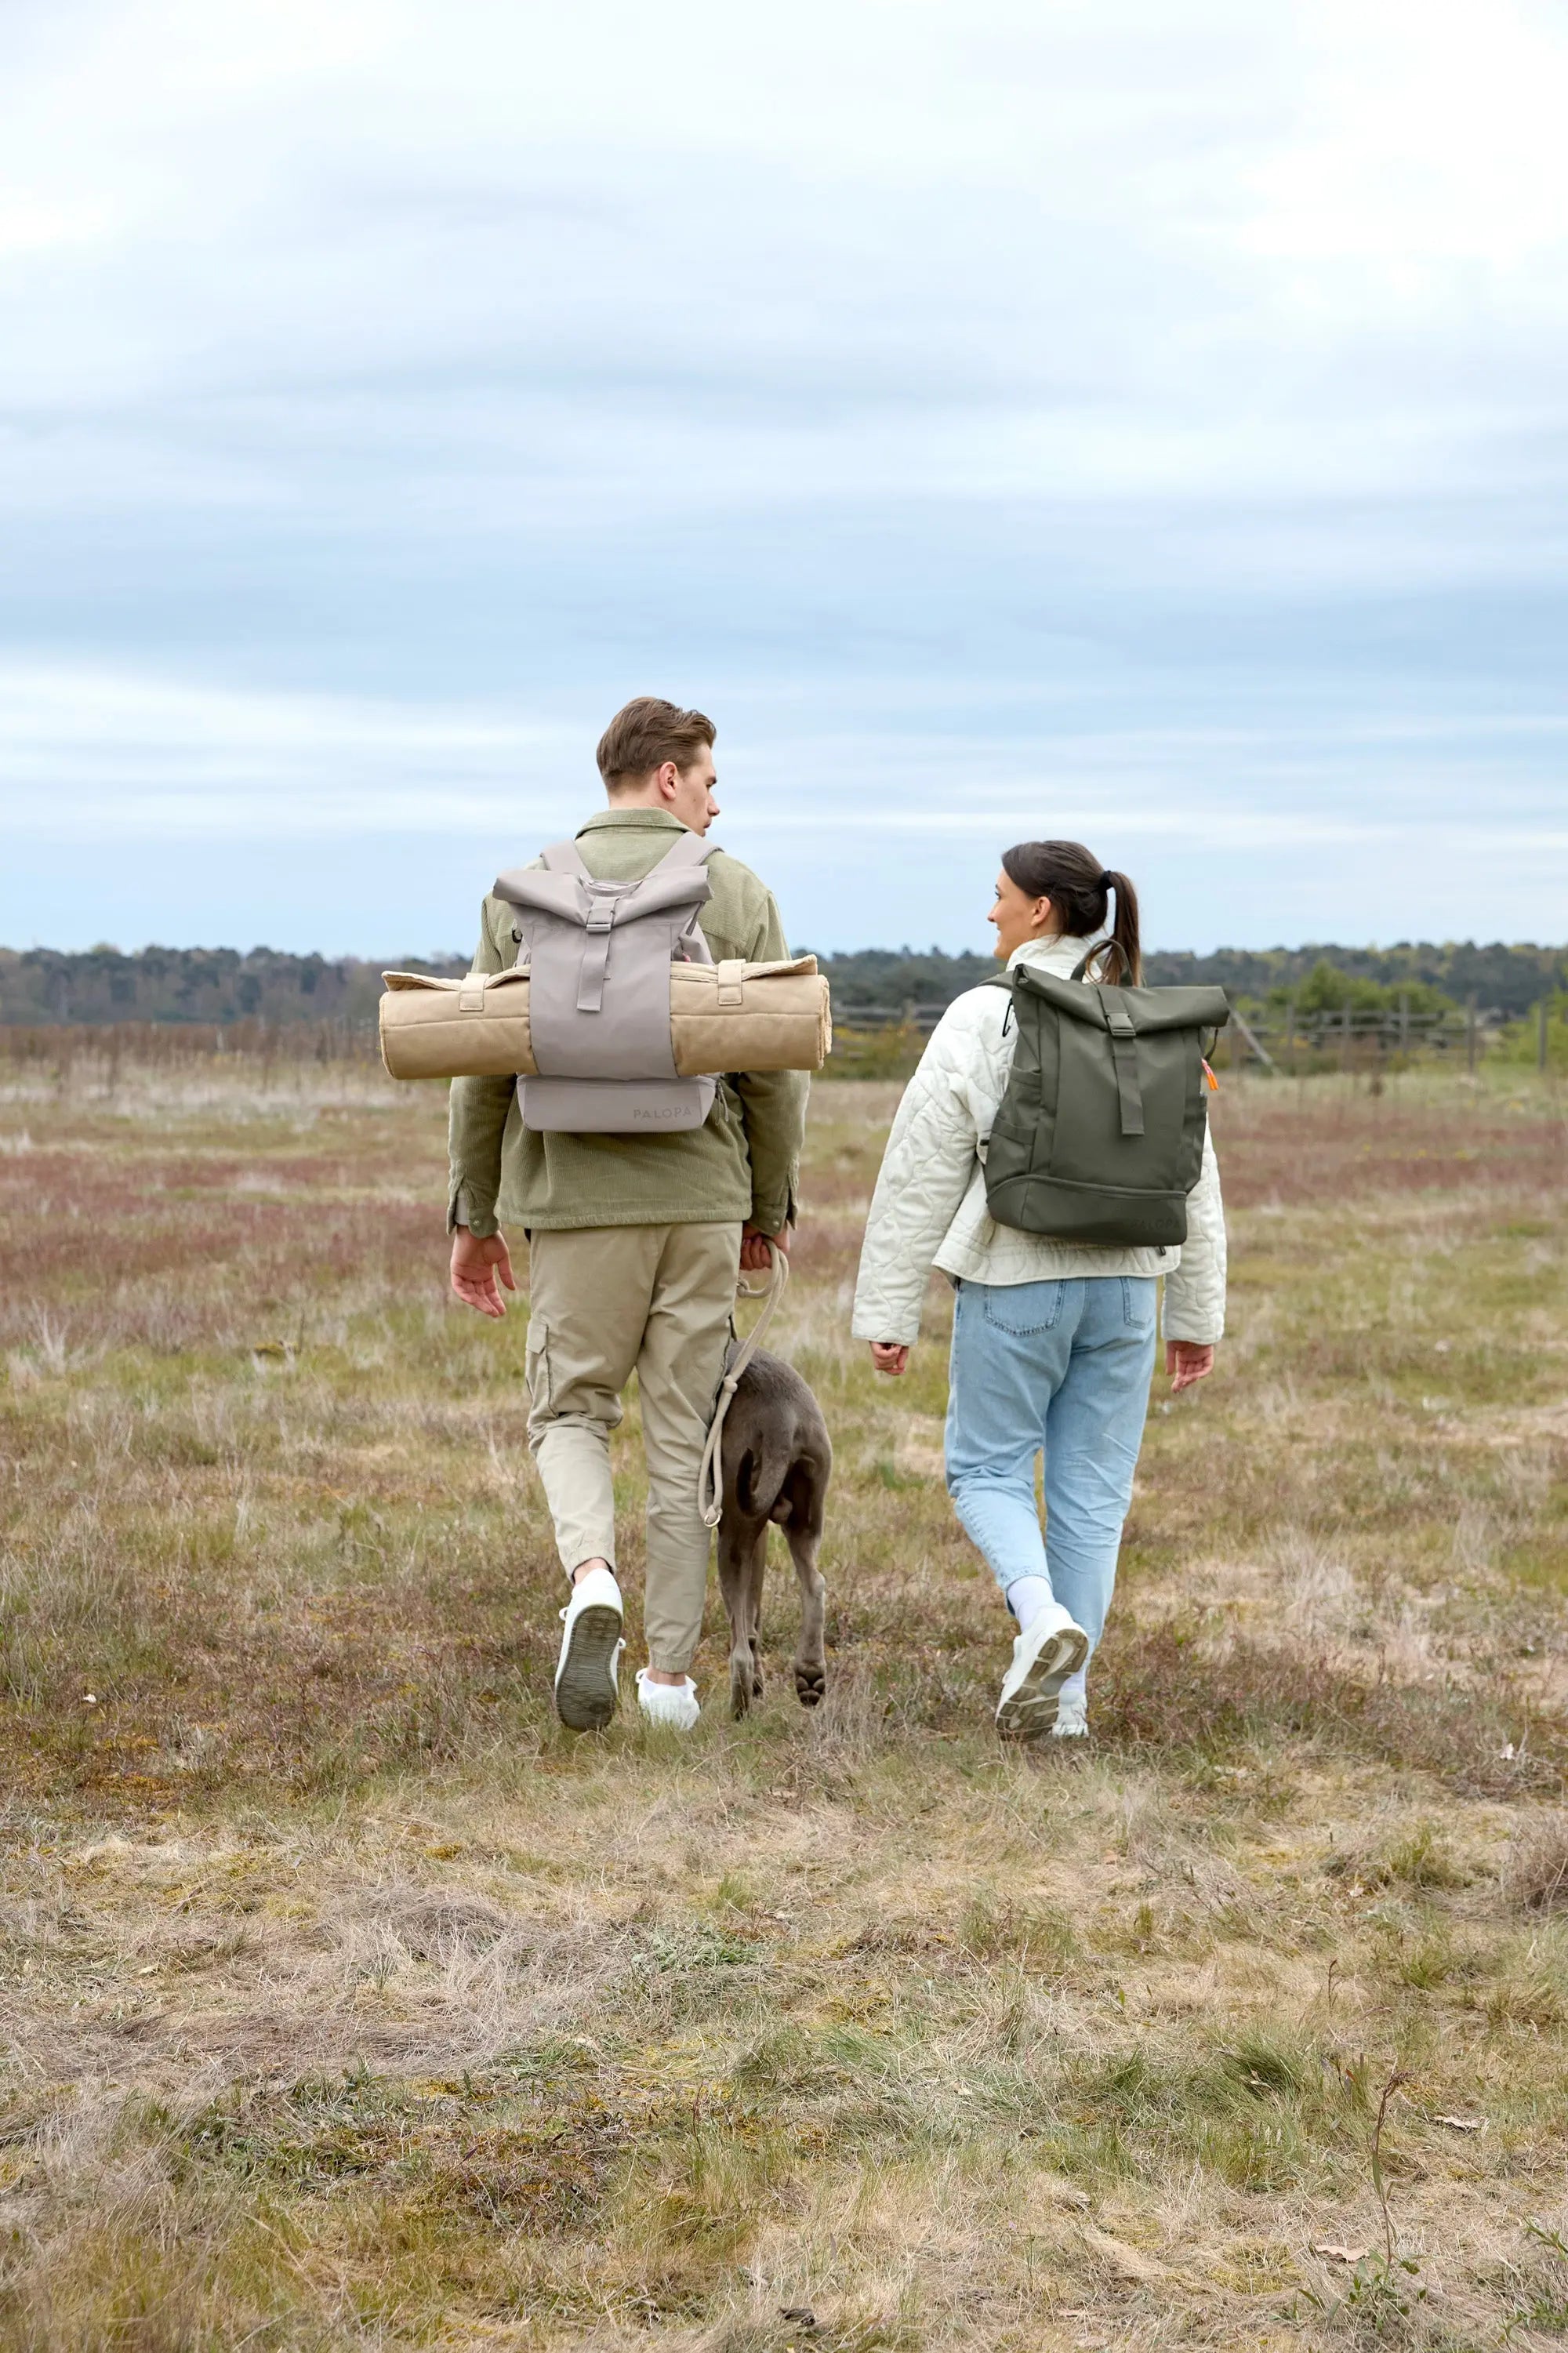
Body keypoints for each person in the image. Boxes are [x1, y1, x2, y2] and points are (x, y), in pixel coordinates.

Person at [448, 698, 808, 1733]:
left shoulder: (523, 891)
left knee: (570, 1413)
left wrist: (476, 1215)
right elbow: (775, 1076)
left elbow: (478, 1073)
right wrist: (767, 1207)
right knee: (687, 1434)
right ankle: (669, 1685)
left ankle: (593, 1578)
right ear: (665, 778)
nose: (714, 797)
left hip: (570, 1204)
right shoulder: (734, 888)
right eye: (706, 779)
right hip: (700, 1201)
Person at [851, 841, 1225, 1741]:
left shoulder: (983, 1016)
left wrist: (887, 1309)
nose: (988, 915)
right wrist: (1196, 1315)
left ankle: (1039, 1618)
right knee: (1094, 1496)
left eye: (998, 898)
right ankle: (1066, 1708)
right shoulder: (1146, 1017)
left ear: (1041, 912)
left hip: (1017, 1277)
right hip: (1132, 1288)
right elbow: (1195, 1178)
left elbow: (918, 1170)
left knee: (984, 1469)